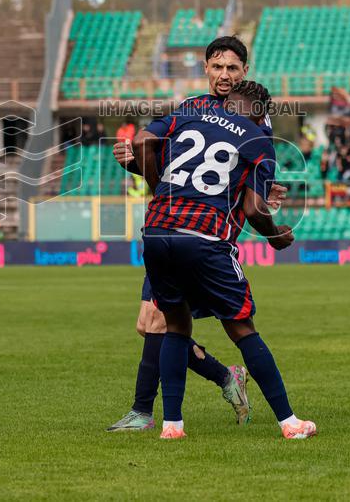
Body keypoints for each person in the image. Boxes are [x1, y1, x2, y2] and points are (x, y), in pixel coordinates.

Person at [105, 36, 283, 432]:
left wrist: (268, 192)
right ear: (205, 68)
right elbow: (173, 170)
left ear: (244, 72)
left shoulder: (256, 119)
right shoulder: (190, 108)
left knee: (158, 322)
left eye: (232, 69)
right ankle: (224, 377)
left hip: (209, 237)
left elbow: (249, 176)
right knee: (153, 323)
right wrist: (135, 164)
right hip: (173, 228)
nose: (224, 75)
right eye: (217, 67)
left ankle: (144, 412)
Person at [131, 80, 316, 440]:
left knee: (176, 326)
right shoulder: (258, 138)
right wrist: (275, 234)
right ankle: (289, 423)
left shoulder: (189, 113)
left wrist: (158, 193)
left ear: (228, 101)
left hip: (156, 231)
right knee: (242, 328)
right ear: (261, 112)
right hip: (204, 236)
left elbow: (140, 142)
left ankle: (172, 426)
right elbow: (253, 207)